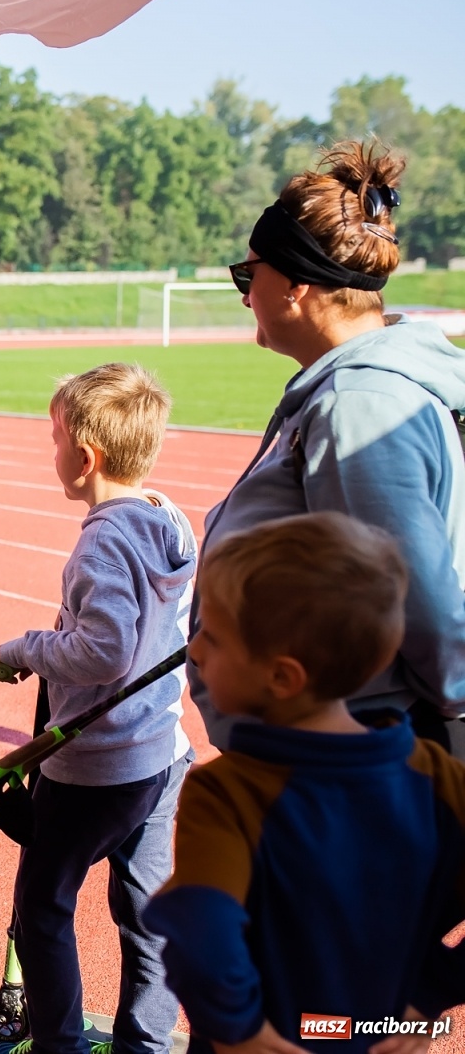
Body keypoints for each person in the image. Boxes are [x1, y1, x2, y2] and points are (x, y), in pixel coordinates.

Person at [147, 513, 465, 1054]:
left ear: (283, 677)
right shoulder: (438, 777)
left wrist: (242, 1030)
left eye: (214, 636)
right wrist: (430, 994)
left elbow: (201, 933)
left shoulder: (230, 793)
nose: (193, 650)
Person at [195, 140, 465, 751]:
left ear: (294, 285)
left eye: (248, 274)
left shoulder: (360, 404)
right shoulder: (355, 390)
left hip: (361, 752)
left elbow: (416, 595)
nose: (243, 295)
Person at [0, 364, 195, 1054]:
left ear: (84, 457)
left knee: (43, 908)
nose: (51, 452)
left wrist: (26, 648)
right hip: (162, 752)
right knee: (148, 914)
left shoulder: (104, 539)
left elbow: (104, 652)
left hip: (97, 766)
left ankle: (61, 1046)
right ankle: (145, 1044)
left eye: (54, 439)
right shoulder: (170, 518)